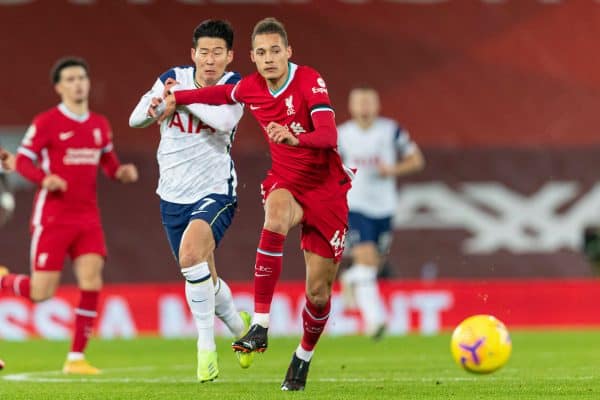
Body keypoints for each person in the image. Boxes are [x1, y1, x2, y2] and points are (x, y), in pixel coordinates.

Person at [156, 17, 353, 391]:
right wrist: (177, 97)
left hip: (326, 191)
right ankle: (260, 324)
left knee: (318, 292)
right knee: (275, 214)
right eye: (261, 53)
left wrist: (297, 140)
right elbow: (215, 96)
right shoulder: (250, 87)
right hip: (286, 183)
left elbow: (328, 135)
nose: (268, 59)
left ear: (288, 52)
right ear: (251, 57)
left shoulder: (309, 80)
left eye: (275, 51)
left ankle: (303, 356)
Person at [128, 19, 253, 382]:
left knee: (191, 257)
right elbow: (136, 118)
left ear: (229, 56)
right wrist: (157, 105)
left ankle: (205, 348)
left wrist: (179, 100)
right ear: (193, 53)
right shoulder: (173, 76)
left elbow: (223, 121)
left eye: (218, 53)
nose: (209, 60)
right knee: (202, 276)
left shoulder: (235, 86)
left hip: (216, 190)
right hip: (172, 194)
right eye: (204, 52)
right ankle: (240, 329)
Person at [0, 57, 138, 375]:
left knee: (92, 281)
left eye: (82, 78)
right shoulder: (47, 122)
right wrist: (43, 179)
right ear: (59, 87)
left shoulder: (99, 125)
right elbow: (23, 162)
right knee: (41, 293)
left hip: (88, 218)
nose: (78, 83)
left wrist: (122, 172)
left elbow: (109, 164)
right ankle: (4, 280)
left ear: (88, 83)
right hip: (53, 217)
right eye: (71, 79)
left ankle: (76, 358)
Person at [337, 87, 425, 339]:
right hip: (356, 206)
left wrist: (393, 170)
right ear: (352, 107)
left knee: (373, 264)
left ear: (377, 106)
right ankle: (375, 321)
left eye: (368, 102)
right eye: (359, 103)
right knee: (365, 259)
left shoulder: (391, 131)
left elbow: (417, 160)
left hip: (385, 207)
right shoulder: (342, 135)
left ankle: (351, 277)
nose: (364, 107)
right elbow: (326, 167)